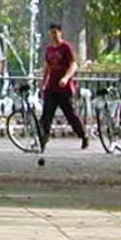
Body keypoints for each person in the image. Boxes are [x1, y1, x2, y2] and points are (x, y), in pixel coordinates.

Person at [37, 21, 89, 150]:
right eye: (51, 33)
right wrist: (43, 83)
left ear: (60, 32)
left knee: (70, 114)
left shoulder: (66, 47)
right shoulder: (49, 49)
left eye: (55, 32)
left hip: (64, 88)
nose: (53, 35)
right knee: (46, 114)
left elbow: (73, 65)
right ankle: (43, 138)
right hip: (51, 87)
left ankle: (83, 135)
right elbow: (47, 66)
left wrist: (66, 78)